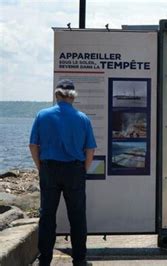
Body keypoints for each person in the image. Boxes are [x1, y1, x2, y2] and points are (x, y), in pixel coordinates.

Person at [29, 79, 96, 265]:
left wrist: (40, 167)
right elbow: (90, 150)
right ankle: (80, 259)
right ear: (73, 96)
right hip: (74, 170)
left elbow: (33, 145)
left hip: (49, 169)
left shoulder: (42, 115)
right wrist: (83, 170)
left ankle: (45, 260)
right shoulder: (82, 118)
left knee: (47, 215)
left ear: (56, 94)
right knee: (77, 216)